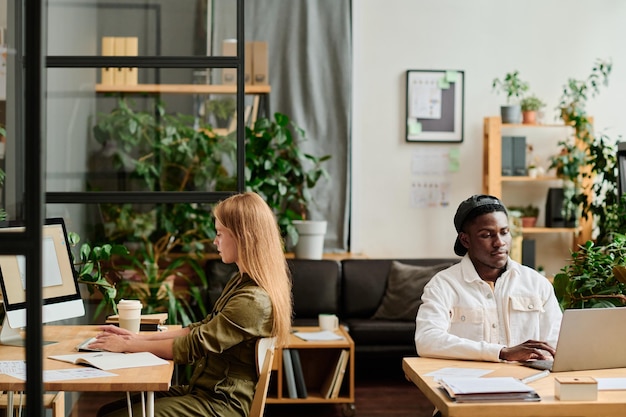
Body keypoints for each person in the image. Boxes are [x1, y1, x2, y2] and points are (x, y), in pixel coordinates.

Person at [92, 192, 293, 417]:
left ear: (242, 236)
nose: (215, 241)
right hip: (204, 392)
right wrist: (135, 339)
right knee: (108, 411)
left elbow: (193, 345)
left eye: (220, 234)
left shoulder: (253, 301)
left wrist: (129, 346)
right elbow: (200, 328)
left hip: (221, 404)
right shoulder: (240, 283)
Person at [415, 194, 563, 364]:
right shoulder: (443, 285)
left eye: (505, 232)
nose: (500, 242)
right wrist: (501, 352)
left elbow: (557, 343)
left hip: (529, 383)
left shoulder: (537, 284)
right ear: (465, 240)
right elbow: (427, 340)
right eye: (487, 235)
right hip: (467, 383)